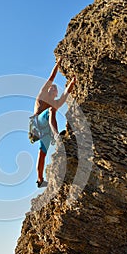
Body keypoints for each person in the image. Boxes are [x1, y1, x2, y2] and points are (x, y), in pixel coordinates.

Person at [34, 57, 76, 188]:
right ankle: (57, 134)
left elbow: (66, 93)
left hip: (46, 128)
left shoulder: (56, 102)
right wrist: (58, 64)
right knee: (52, 109)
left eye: (54, 89)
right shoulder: (42, 96)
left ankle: (40, 180)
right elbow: (51, 77)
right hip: (38, 122)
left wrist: (73, 81)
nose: (52, 89)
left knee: (42, 152)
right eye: (51, 88)